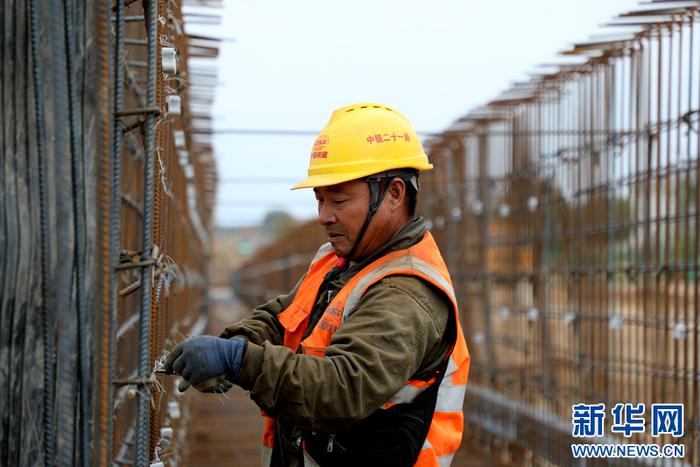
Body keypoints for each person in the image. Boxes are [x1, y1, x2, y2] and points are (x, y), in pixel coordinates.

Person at [164, 102, 470, 466]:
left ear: (394, 193)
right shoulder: (340, 261)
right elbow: (284, 317)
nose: (324, 216)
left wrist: (238, 361)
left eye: (339, 199)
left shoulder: (406, 291)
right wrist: (236, 343)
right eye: (320, 199)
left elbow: (340, 390)